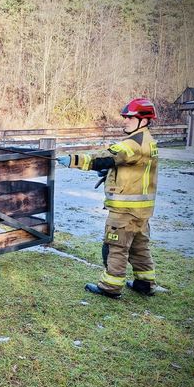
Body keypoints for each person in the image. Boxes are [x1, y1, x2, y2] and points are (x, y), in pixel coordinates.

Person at [57, 98, 159, 299]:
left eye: (130, 118)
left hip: (124, 210)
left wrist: (73, 160)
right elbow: (128, 165)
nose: (125, 121)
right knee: (139, 246)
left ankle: (110, 287)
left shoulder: (133, 143)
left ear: (144, 121)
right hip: (142, 211)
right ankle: (145, 283)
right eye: (125, 117)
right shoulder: (148, 141)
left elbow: (104, 157)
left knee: (116, 247)